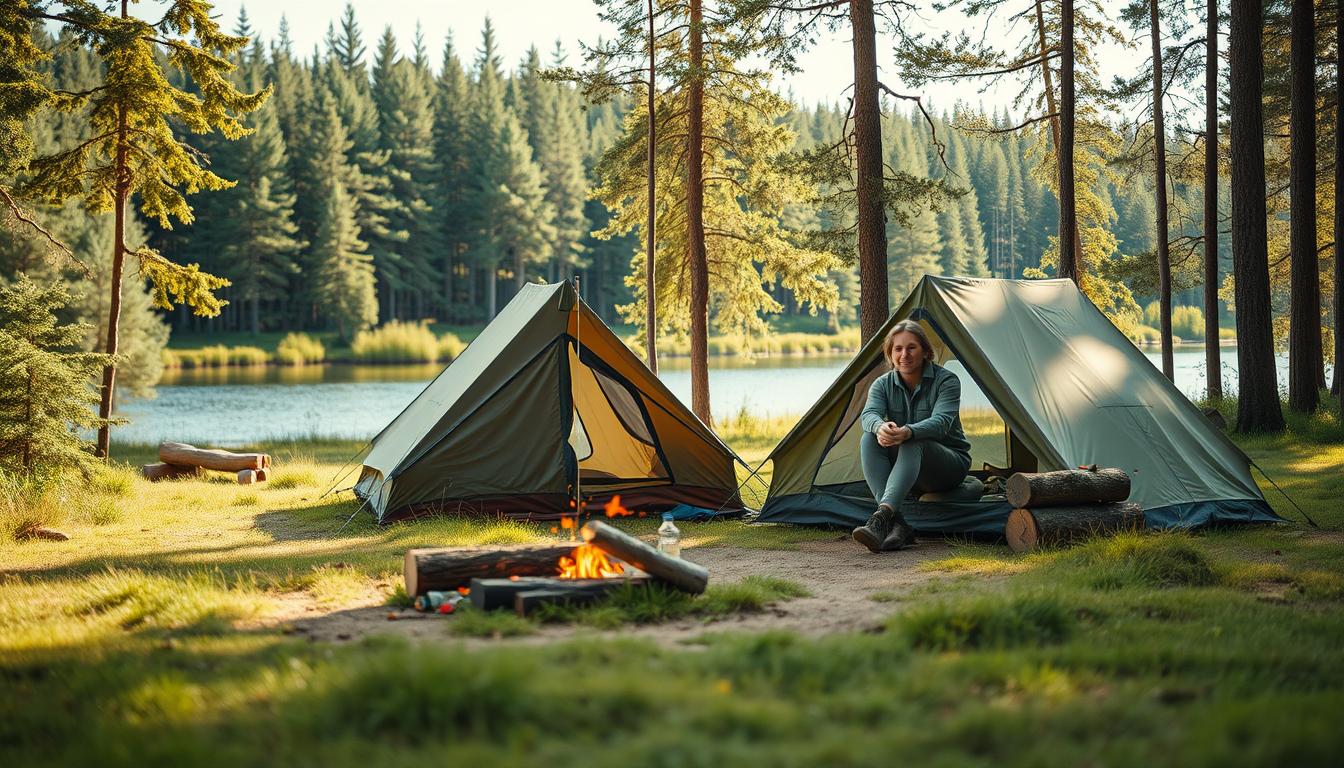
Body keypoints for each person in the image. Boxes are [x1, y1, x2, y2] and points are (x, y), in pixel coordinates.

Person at [852, 320, 971, 552]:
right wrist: (880, 427)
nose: (904, 354)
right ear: (890, 353)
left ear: (926, 351)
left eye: (911, 347)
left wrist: (908, 431)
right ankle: (899, 525)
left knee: (912, 441)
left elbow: (941, 424)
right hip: (909, 471)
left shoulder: (946, 381)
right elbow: (869, 415)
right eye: (898, 349)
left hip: (949, 466)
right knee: (868, 437)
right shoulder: (882, 384)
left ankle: (881, 518)